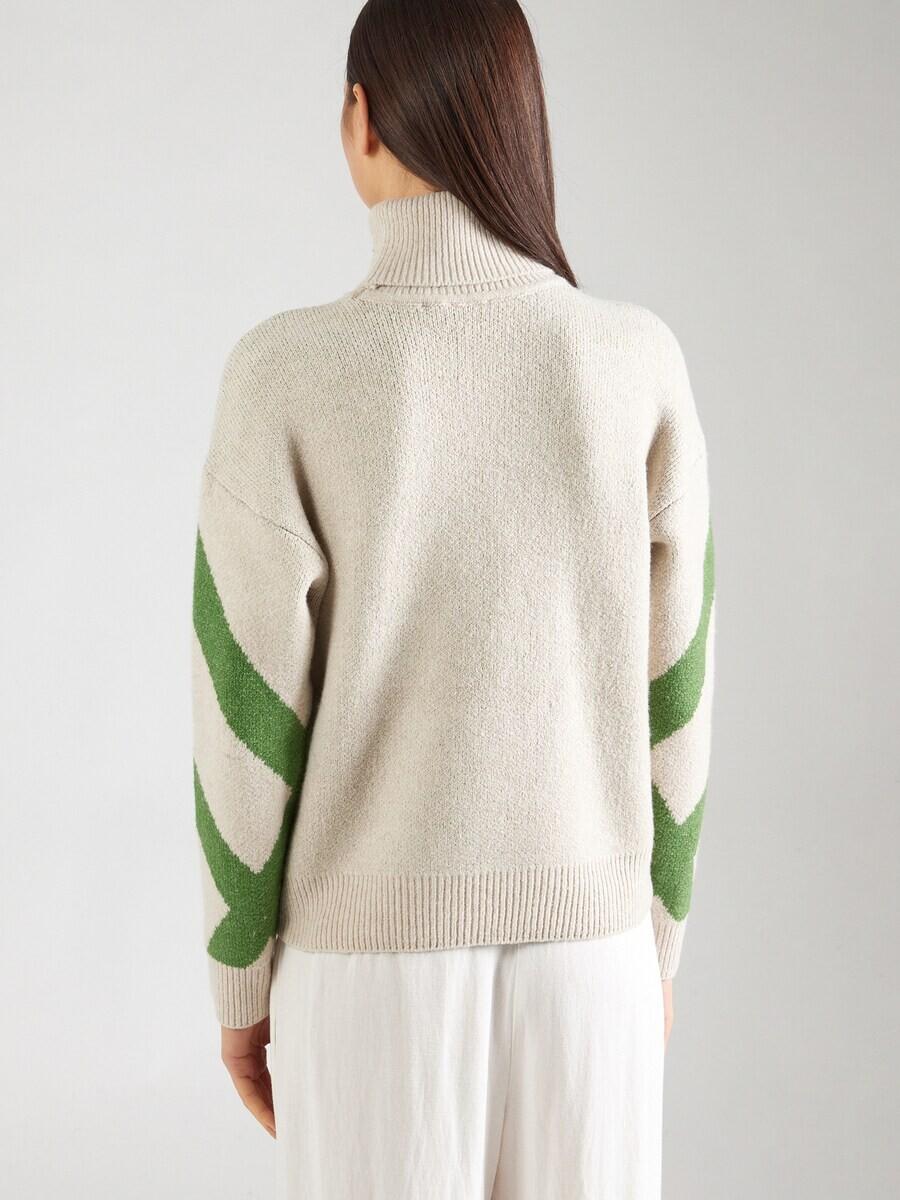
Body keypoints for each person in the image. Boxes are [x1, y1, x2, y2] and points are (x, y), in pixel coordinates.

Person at [190, 0, 716, 1195]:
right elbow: (680, 690)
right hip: (595, 957)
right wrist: (656, 943)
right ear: (517, 123)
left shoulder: (282, 373)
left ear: (360, 119)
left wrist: (239, 981)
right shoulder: (637, 359)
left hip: (365, 971)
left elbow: (243, 712)